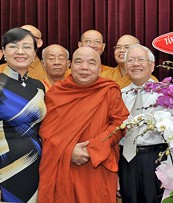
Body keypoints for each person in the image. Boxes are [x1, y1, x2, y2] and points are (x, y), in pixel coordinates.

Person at [38, 47, 129, 203]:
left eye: (91, 63)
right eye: (78, 62)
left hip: (96, 165)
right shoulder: (56, 93)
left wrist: (93, 148)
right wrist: (68, 150)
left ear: (99, 68)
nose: (84, 67)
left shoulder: (109, 90)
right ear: (71, 65)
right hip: (62, 165)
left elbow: (120, 124)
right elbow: (46, 131)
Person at [0, 27, 46, 202]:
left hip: (36, 165)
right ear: (3, 51)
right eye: (13, 46)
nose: (20, 52)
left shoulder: (39, 86)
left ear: (35, 53)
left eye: (27, 47)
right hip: (5, 168)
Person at [119, 44, 167, 203]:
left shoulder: (166, 94)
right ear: (125, 67)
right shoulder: (118, 95)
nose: (136, 64)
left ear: (152, 65)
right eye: (130, 60)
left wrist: (170, 170)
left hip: (155, 159)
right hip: (125, 161)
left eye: (141, 60)